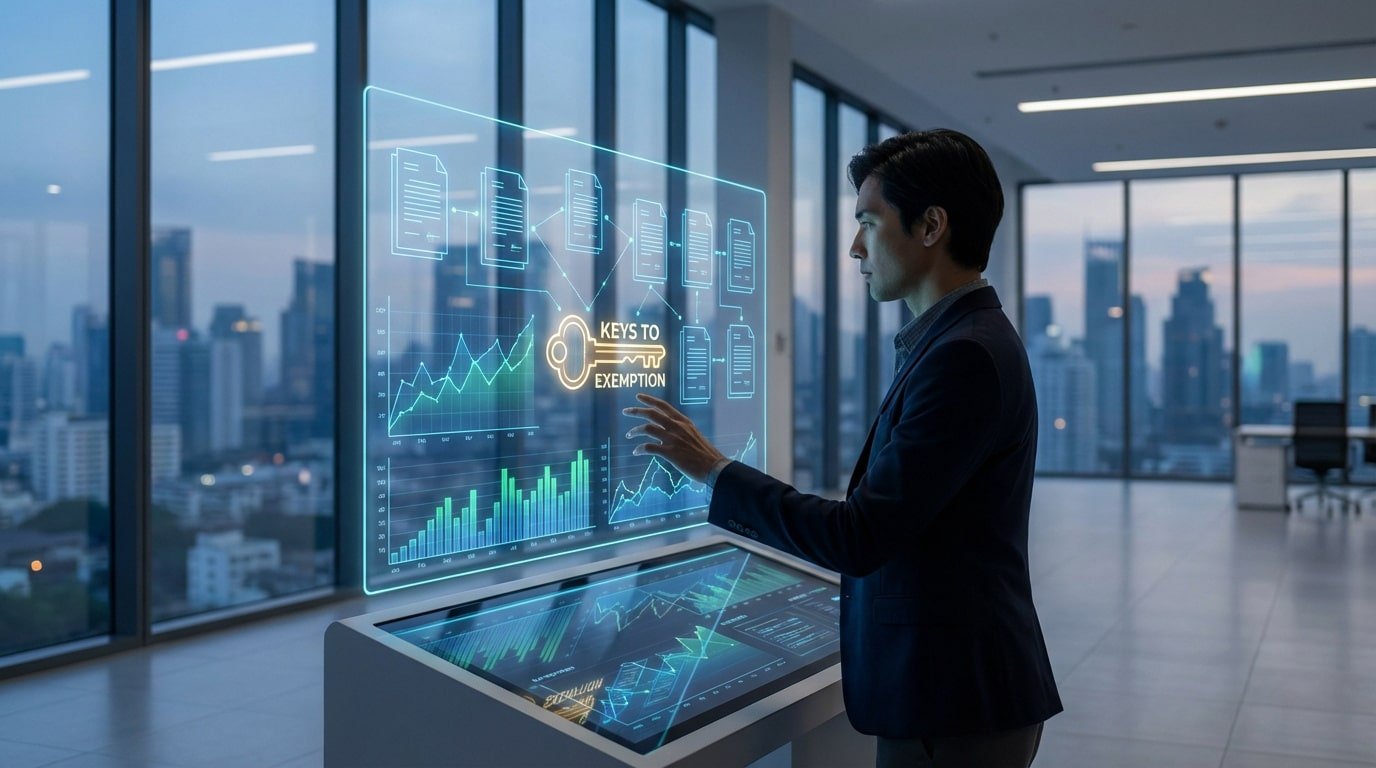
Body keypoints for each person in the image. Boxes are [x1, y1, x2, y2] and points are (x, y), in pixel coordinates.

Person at [623, 128, 1061, 767]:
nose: (855, 246)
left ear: (932, 225)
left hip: (955, 702)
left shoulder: (963, 356)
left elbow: (860, 535)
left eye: (869, 222)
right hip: (956, 691)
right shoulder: (956, 341)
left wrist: (714, 470)